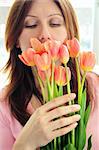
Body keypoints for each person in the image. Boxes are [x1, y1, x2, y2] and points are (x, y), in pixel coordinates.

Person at [0, 0, 98, 150]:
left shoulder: (95, 87)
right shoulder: (4, 105)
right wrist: (23, 144)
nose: (44, 35)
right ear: (16, 40)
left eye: (55, 23)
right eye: (31, 24)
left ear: (69, 33)